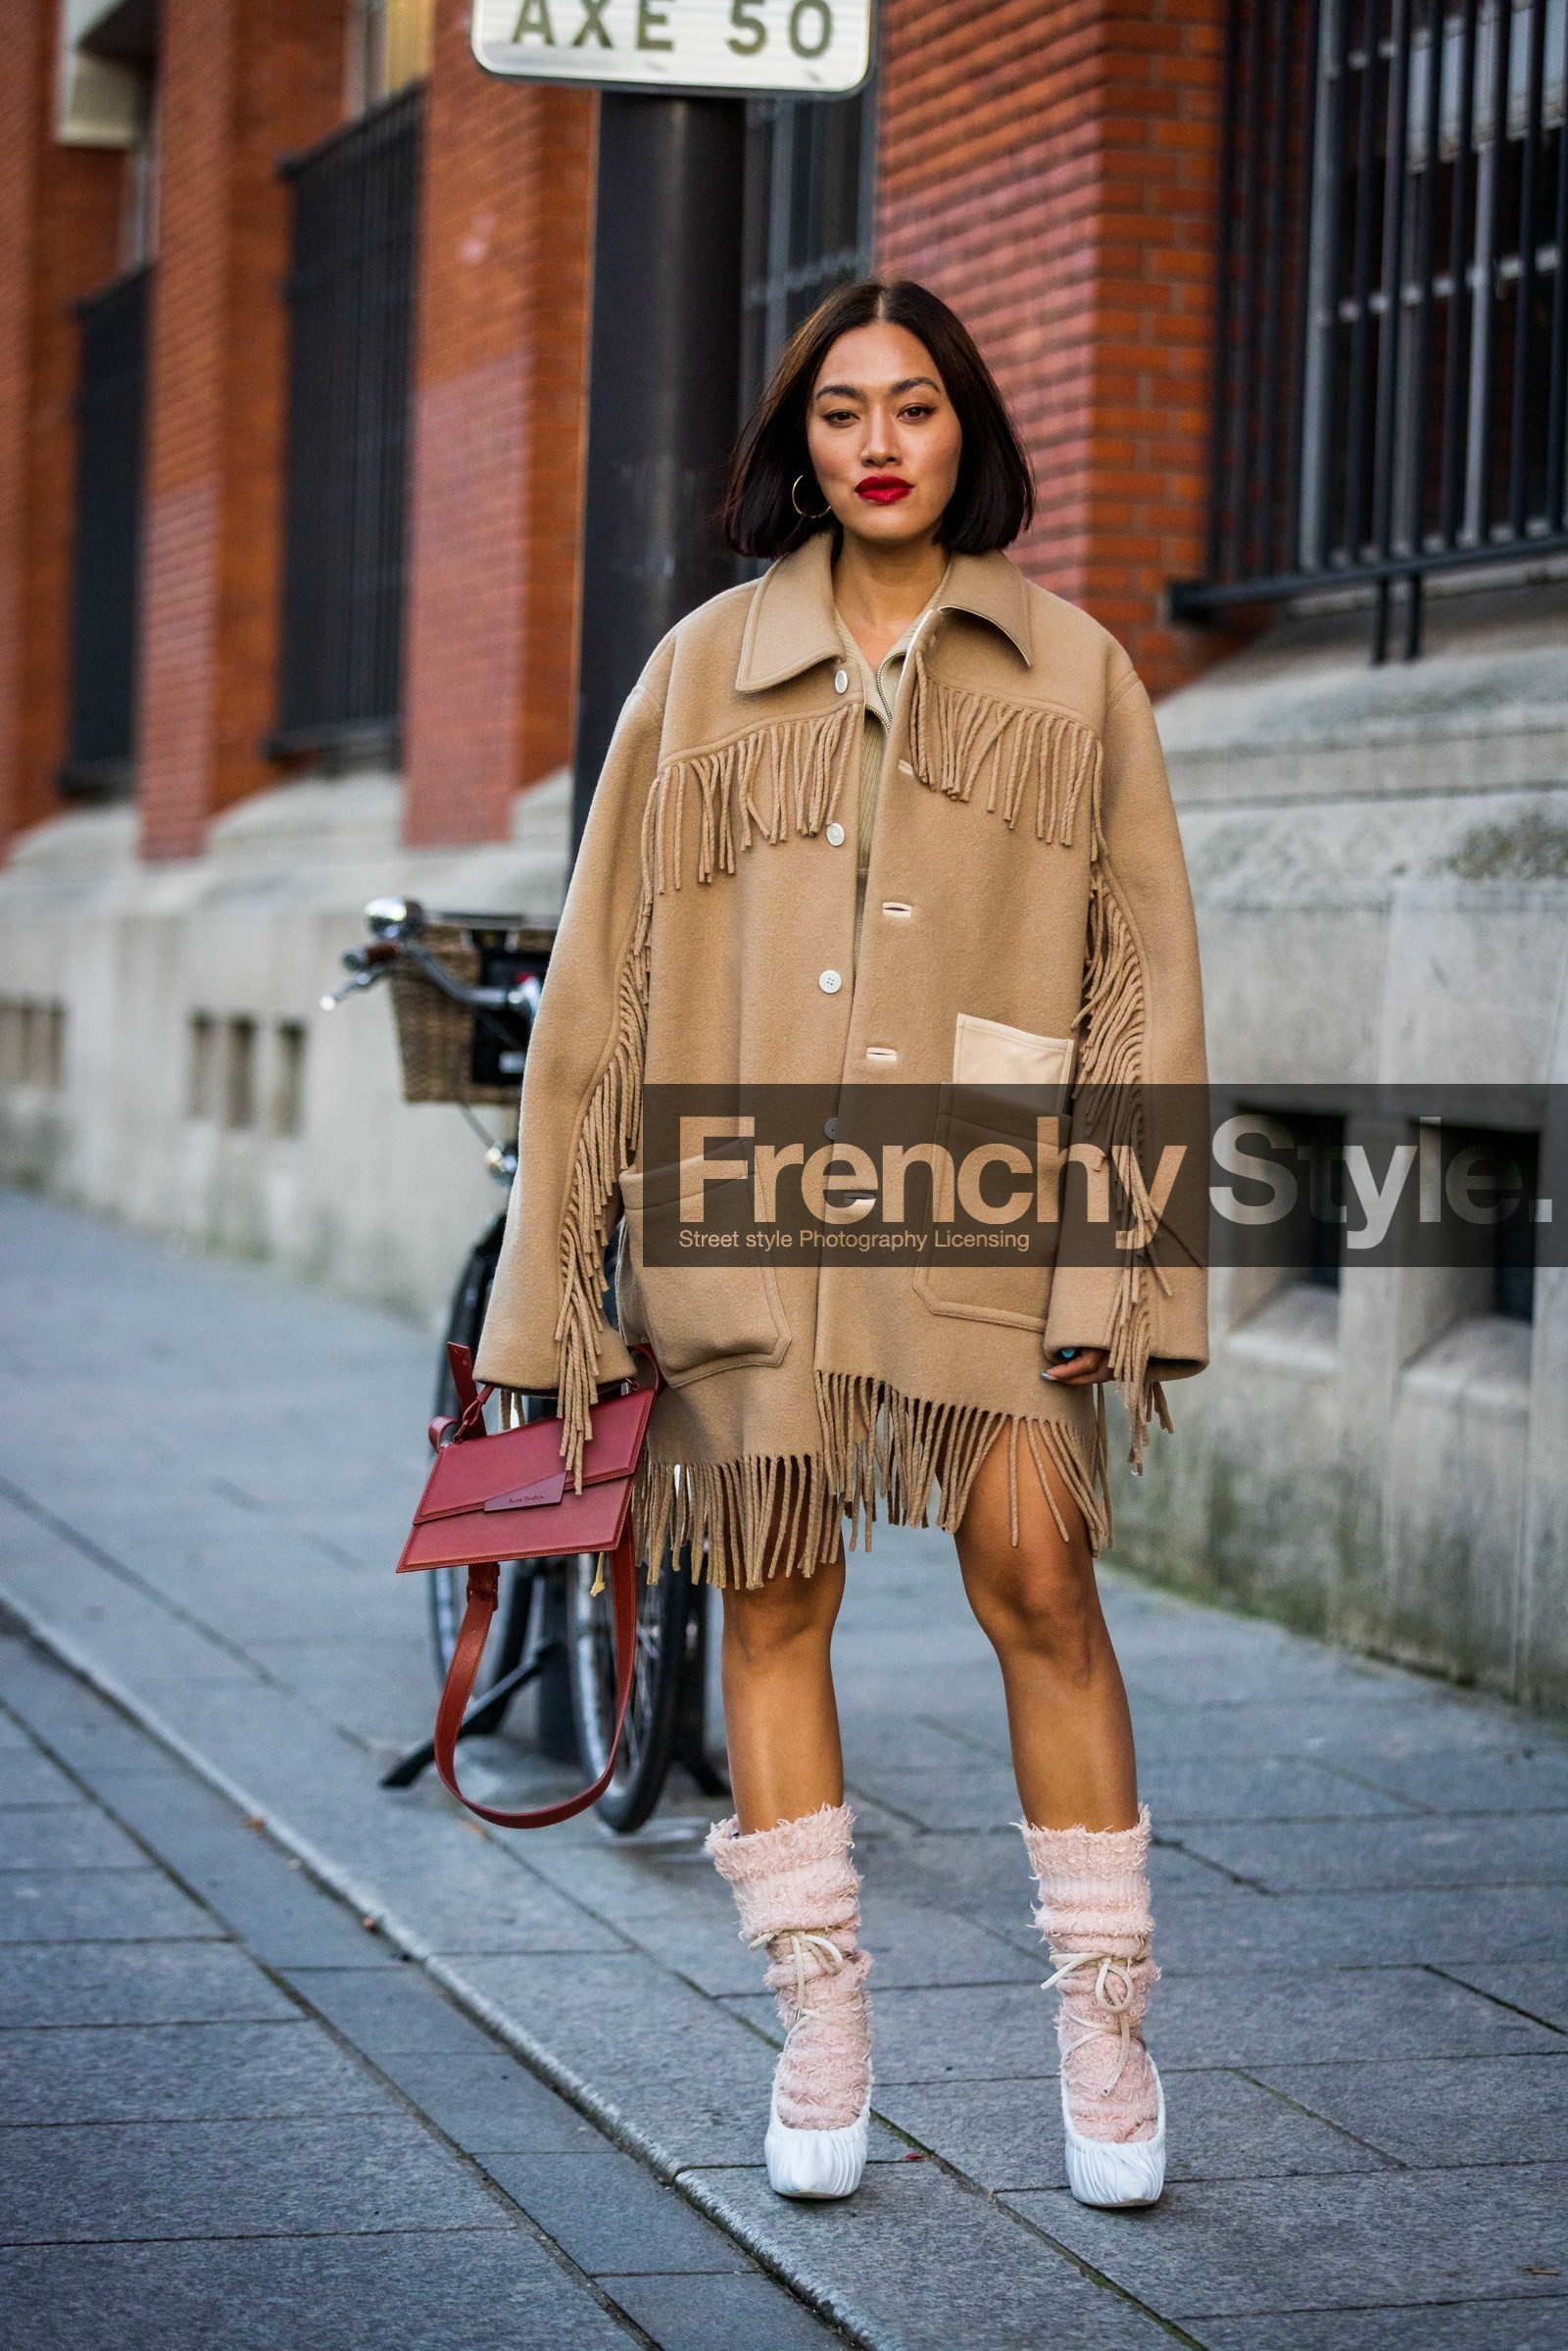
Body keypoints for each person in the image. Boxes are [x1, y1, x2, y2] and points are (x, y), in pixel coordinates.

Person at [475, 279, 1207, 2211]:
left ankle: (1102, 2027)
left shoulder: (1072, 677)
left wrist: (1108, 1266)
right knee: (775, 1601)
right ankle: (820, 2018)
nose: (874, 442)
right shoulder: (702, 673)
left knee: (1040, 1588)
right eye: (834, 412)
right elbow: (603, 987)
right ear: (794, 445)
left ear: (969, 431)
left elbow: (1139, 992)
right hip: (749, 1203)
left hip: (978, 1191)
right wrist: (567, 1289)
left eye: (911, 408)